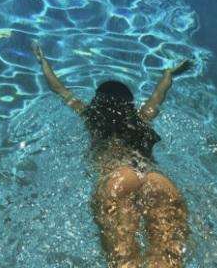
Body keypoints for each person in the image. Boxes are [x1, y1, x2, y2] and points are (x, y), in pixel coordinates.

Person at [31, 42, 190, 268]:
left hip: (117, 178)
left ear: (98, 101)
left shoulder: (91, 117)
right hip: (156, 178)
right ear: (129, 105)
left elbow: (60, 89)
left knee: (124, 261)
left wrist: (43, 62)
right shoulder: (141, 118)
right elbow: (159, 95)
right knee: (166, 262)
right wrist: (168, 73)